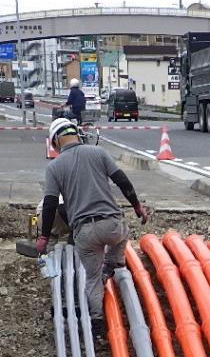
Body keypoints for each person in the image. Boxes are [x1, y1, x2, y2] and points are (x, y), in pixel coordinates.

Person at [35, 118, 149, 338]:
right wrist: (137, 207)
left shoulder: (55, 167)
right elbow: (123, 181)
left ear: (56, 141)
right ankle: (110, 266)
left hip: (85, 233)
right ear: (78, 134)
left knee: (92, 280)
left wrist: (43, 236)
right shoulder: (99, 153)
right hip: (113, 225)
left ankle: (96, 326)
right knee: (123, 234)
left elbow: (50, 204)